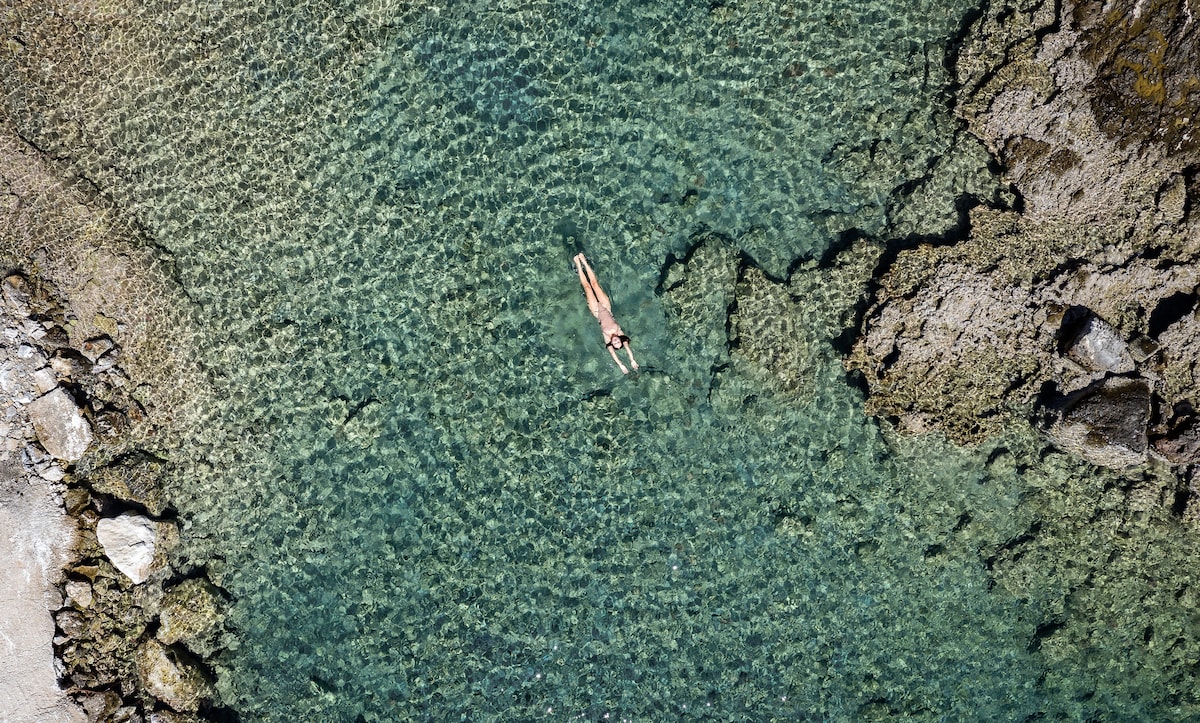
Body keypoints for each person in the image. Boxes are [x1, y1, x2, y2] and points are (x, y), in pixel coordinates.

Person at [574, 253, 639, 374]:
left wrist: (620, 365)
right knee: (594, 284)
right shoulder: (620, 332)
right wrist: (632, 360)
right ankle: (584, 261)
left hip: (596, 311)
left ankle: (578, 265)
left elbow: (613, 355)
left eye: (615, 344)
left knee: (587, 287)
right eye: (618, 342)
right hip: (606, 307)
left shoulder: (607, 337)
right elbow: (628, 349)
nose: (615, 342)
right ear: (620, 340)